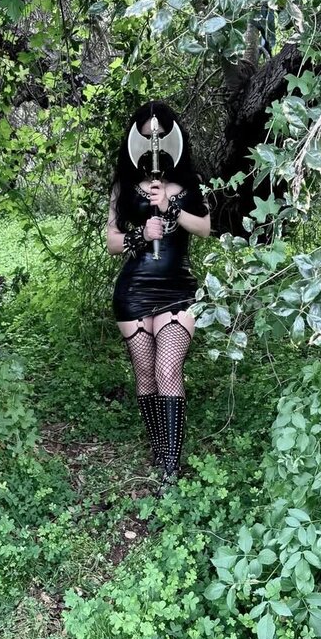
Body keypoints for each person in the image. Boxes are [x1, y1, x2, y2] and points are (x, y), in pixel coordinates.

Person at [106, 101, 211, 486]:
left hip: (178, 289)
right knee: (146, 375)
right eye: (147, 134)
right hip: (133, 291)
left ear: (172, 134)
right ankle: (159, 447)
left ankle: (170, 466)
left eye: (161, 134)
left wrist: (170, 208)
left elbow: (205, 228)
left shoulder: (190, 182)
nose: (154, 141)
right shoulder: (124, 184)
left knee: (167, 368)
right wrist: (139, 234)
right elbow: (112, 242)